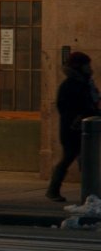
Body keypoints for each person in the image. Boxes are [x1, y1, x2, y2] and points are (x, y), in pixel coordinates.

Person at [47, 51, 100, 202]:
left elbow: (90, 102)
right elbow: (69, 107)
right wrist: (81, 116)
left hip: (84, 126)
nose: (89, 67)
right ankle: (54, 190)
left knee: (84, 159)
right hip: (73, 128)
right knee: (69, 158)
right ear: (79, 66)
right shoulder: (71, 85)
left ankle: (90, 191)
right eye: (86, 65)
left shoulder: (85, 83)